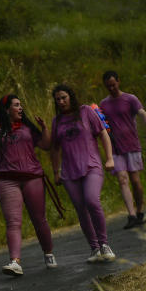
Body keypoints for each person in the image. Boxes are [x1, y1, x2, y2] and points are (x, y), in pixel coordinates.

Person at [0, 94, 56, 276]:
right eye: (16, 105)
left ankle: (48, 253)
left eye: (21, 105)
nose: (21, 108)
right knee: (13, 222)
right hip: (6, 179)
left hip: (32, 177)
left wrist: (44, 129)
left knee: (39, 219)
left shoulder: (28, 128)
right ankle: (15, 261)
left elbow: (46, 145)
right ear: (6, 109)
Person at [49, 85, 117, 262]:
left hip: (91, 165)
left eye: (63, 97)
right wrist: (56, 172)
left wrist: (109, 158)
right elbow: (54, 148)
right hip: (70, 172)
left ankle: (104, 244)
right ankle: (94, 249)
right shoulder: (56, 121)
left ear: (71, 96)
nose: (61, 101)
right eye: (57, 99)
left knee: (92, 201)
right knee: (81, 209)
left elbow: (103, 134)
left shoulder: (85, 111)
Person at [99, 70, 146, 229]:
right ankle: (130, 215)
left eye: (113, 85)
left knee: (136, 181)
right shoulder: (104, 104)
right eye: (108, 86)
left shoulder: (130, 99)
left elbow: (143, 113)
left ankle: (139, 210)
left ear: (118, 82)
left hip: (132, 145)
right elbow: (101, 124)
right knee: (122, 179)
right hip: (116, 148)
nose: (111, 88)